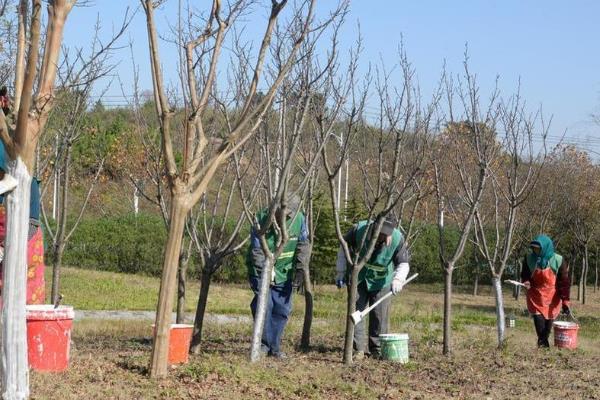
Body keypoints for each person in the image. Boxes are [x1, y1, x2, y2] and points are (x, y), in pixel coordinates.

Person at [246, 195, 311, 359]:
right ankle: (262, 345)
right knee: (264, 306)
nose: (282, 216)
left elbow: (304, 245)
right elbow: (256, 250)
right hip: (261, 269)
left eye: (287, 213)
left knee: (282, 310)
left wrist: (299, 270)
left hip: (286, 271)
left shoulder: (299, 220)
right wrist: (266, 270)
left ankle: (274, 347)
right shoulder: (260, 219)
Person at [335, 217, 410, 359]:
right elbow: (342, 248)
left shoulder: (397, 238)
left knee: (379, 315)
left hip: (382, 281)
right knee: (357, 313)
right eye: (380, 233)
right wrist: (340, 272)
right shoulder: (358, 230)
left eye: (385, 234)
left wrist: (398, 279)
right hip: (359, 278)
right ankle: (357, 349)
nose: (382, 236)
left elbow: (403, 262)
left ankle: (377, 349)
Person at [0, 141, 46, 304]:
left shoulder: (25, 182)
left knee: (19, 302)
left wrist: (6, 249)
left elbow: (28, 227)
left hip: (23, 244)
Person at [521, 234, 571, 348]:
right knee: (539, 322)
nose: (536, 251)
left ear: (546, 247)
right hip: (535, 295)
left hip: (553, 296)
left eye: (538, 249)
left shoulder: (558, 260)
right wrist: (526, 282)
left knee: (548, 326)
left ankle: (543, 344)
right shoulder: (529, 259)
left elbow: (564, 282)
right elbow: (525, 275)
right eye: (534, 248)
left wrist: (565, 301)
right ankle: (543, 346)